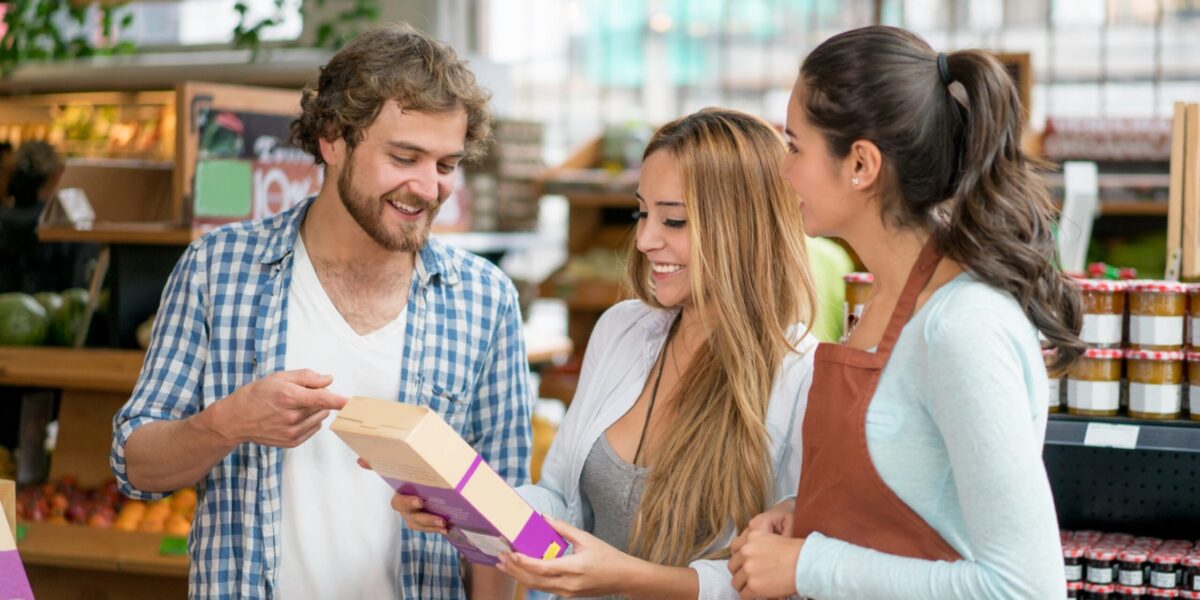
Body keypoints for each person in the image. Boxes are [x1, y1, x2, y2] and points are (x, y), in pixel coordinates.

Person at [111, 23, 529, 600]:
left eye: (445, 165)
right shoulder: (219, 268)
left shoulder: (486, 299)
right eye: (404, 156)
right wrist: (226, 423)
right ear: (333, 139)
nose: (427, 188)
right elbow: (136, 467)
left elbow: (503, 520)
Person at [389, 108, 819, 599]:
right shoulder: (622, 330)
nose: (645, 239)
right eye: (642, 212)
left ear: (744, 227)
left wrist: (626, 576)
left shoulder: (803, 375)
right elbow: (560, 498)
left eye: (673, 220)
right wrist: (469, 508)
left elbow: (781, 579)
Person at [728, 25, 1080, 599]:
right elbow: (919, 489)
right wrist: (810, 515)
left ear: (861, 164)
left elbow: (1025, 588)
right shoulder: (885, 302)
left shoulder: (964, 326)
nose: (782, 171)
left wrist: (809, 565)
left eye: (794, 147)